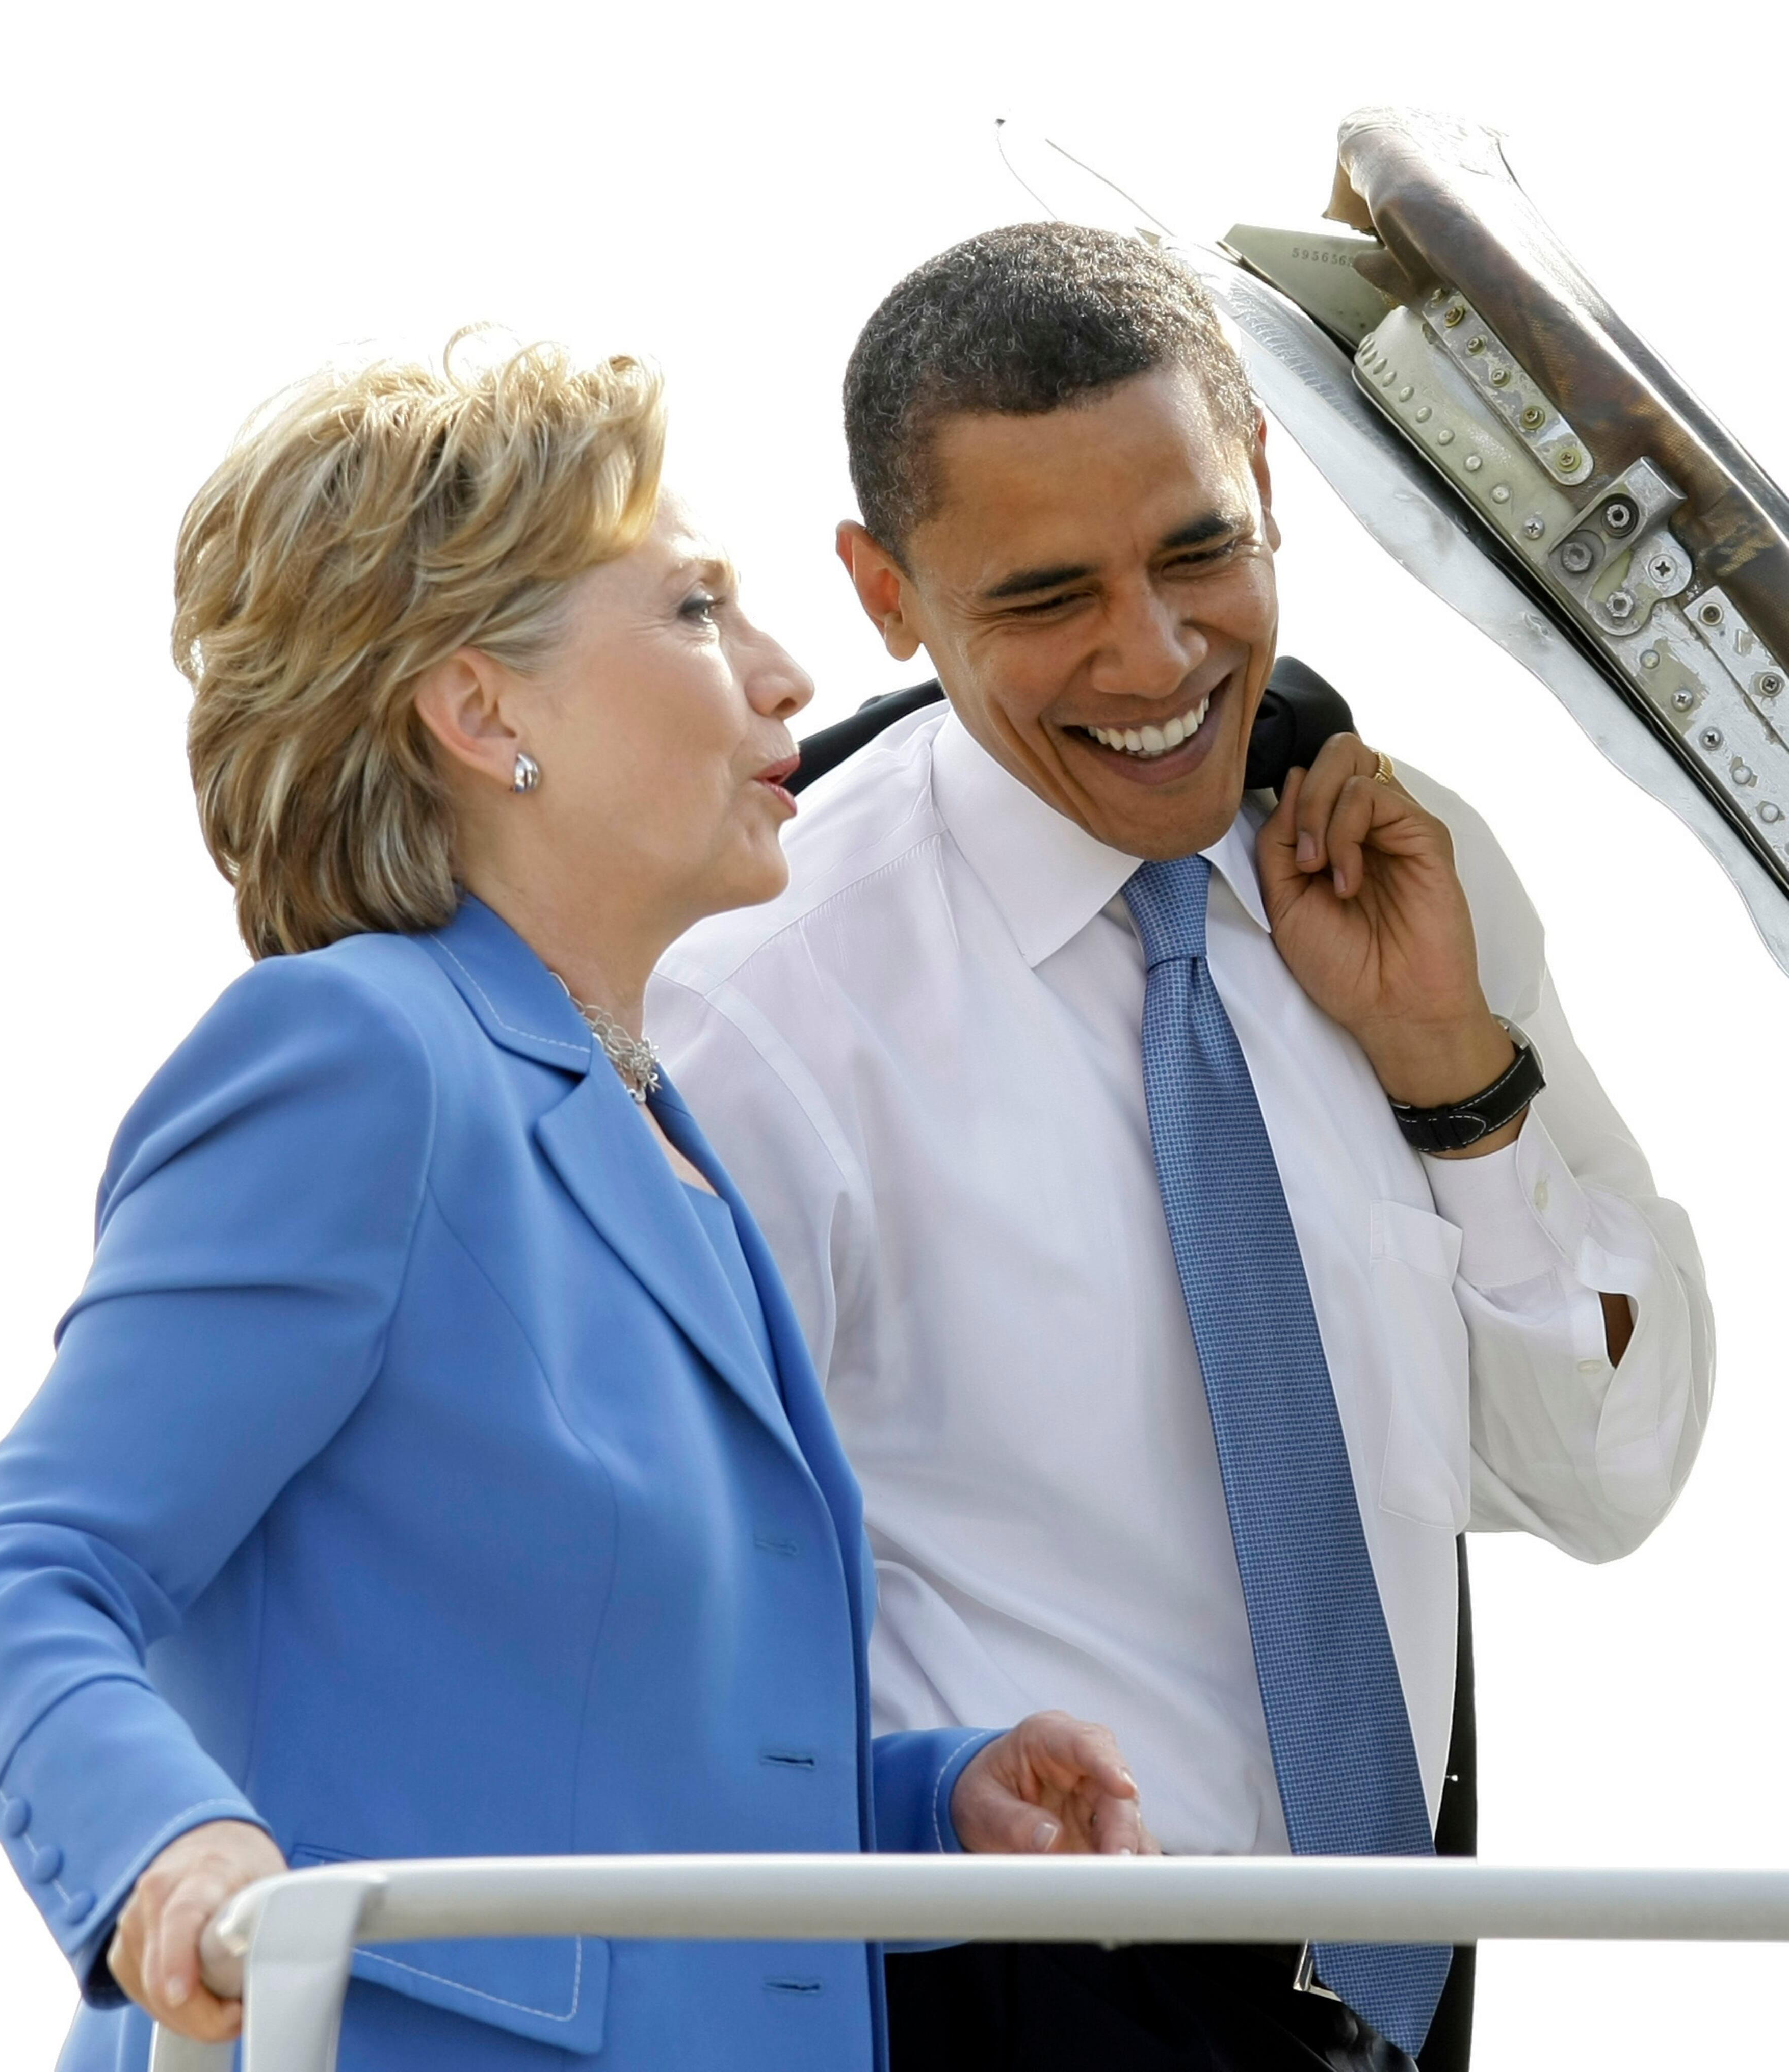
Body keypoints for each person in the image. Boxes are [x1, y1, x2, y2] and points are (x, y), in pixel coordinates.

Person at [0, 331, 1156, 2072]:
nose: (794, 675)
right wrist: (167, 1848)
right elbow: (25, 1566)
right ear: (484, 709)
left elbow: (618, 1775)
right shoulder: (358, 1055)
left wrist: (932, 1805)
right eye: (700, 610)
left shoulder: (666, 1142)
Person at [648, 226, 1715, 2072]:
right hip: (993, 1992)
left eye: (1200, 549)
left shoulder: (1397, 859)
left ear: (1269, 483)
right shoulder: (757, 1008)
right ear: (887, 595)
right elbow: (661, 1629)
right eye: (1050, 594)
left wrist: (1454, 1072)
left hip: (1408, 1985)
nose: (1154, 653)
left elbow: (1602, 1480)